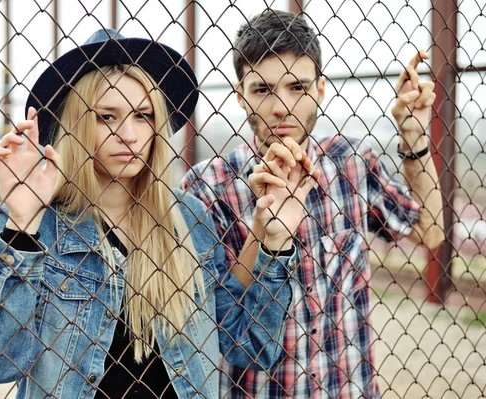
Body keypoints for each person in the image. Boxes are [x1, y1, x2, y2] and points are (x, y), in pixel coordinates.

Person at [0, 28, 313, 399]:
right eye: (106, 117)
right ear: (77, 123)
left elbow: (251, 347)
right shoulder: (37, 222)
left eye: (143, 115)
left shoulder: (188, 217)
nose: (128, 134)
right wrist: (22, 223)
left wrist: (275, 242)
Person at [181, 9, 444, 399]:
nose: (281, 107)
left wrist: (413, 137)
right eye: (263, 89)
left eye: (297, 87)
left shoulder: (352, 163)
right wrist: (262, 232)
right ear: (239, 95)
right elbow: (218, 317)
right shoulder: (207, 186)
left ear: (320, 89)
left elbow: (430, 233)